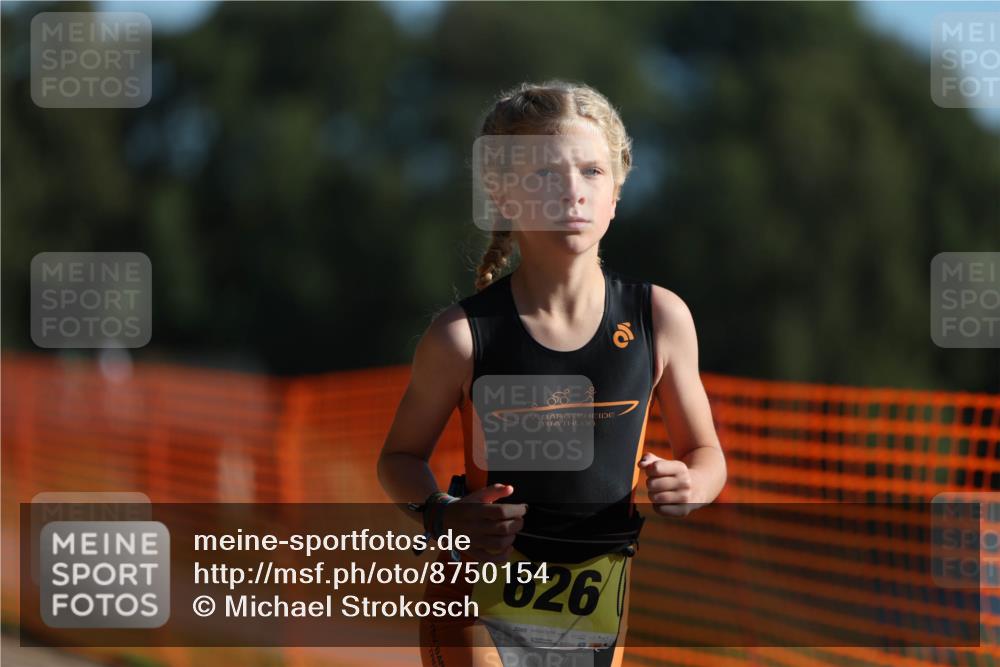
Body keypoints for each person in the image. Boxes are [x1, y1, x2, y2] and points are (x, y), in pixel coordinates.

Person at [377, 79, 727, 667]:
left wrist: (693, 485)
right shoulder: (462, 336)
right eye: (544, 175)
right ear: (503, 194)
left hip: (597, 610)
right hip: (477, 600)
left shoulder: (659, 318)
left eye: (592, 172)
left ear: (616, 192)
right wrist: (443, 513)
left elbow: (707, 453)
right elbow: (397, 460)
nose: (573, 192)